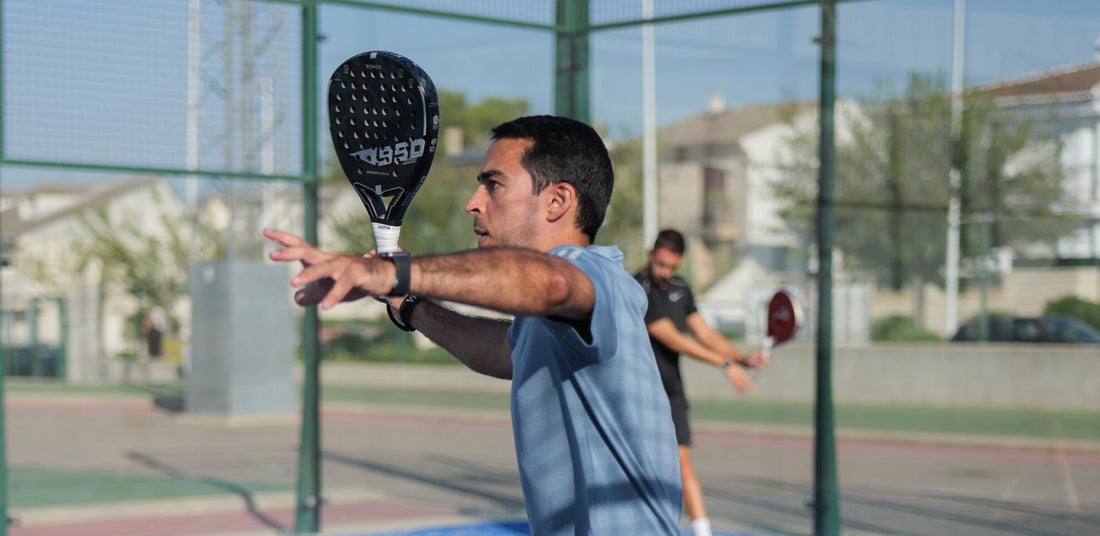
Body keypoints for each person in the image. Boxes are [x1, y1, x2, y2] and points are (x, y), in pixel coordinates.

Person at [264, 115, 682, 535]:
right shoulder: (550, 319)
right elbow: (505, 351)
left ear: (557, 200)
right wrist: (408, 304)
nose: (474, 201)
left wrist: (394, 272)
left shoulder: (593, 274)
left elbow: (551, 282)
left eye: (493, 184)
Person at [633, 229, 767, 536]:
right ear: (651, 253)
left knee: (682, 464)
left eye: (671, 266)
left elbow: (704, 333)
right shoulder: (634, 287)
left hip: (672, 392)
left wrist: (743, 358)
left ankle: (701, 532)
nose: (665, 271)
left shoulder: (681, 288)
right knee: (636, 467)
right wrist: (725, 363)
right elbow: (674, 338)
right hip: (638, 392)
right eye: (661, 263)